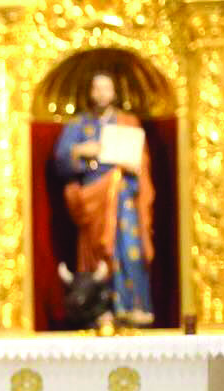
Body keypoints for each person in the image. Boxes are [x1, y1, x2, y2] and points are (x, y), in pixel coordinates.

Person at [52, 71, 156, 326]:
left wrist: (129, 164)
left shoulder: (127, 122)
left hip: (124, 199)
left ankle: (131, 305)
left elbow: (141, 161)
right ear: (90, 92)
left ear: (114, 93)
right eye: (96, 88)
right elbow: (61, 162)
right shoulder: (79, 126)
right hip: (93, 200)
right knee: (96, 253)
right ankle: (98, 309)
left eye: (106, 88)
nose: (101, 94)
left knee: (128, 248)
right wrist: (81, 150)